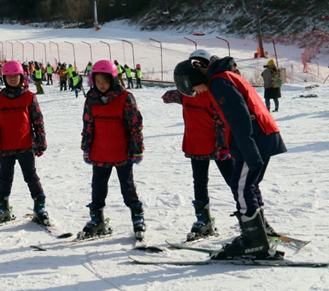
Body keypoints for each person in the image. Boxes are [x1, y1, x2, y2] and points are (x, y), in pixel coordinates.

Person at [174, 54, 287, 260]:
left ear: (196, 74)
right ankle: (259, 233)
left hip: (254, 138)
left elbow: (240, 115)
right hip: (260, 135)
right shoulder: (225, 75)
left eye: (192, 87)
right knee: (247, 186)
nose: (195, 92)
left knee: (241, 187)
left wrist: (248, 148)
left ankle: (254, 241)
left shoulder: (218, 81)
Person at [162, 49, 234, 241]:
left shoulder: (213, 93)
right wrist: (173, 94)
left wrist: (224, 148)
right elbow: (169, 96)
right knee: (200, 183)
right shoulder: (188, 93)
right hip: (196, 146)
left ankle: (249, 216)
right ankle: (204, 219)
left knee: (234, 181)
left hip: (218, 148)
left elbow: (221, 122)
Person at [78, 60, 146, 240]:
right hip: (100, 152)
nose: (101, 85)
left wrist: (137, 149)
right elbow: (88, 125)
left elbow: (134, 126)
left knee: (128, 187)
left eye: (105, 81)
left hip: (122, 152)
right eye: (98, 82)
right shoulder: (91, 98)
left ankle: (137, 216)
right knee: (98, 187)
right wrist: (86, 148)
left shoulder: (126, 97)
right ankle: (97, 218)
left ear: (114, 80)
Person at [0, 61, 51, 227]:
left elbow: (38, 121)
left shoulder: (29, 97)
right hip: (6, 146)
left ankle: (40, 206)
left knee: (31, 176)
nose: (12, 79)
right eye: (9, 76)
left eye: (15, 76)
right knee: (5, 178)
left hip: (25, 145)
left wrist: (41, 141)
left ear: (21, 77)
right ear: (4, 78)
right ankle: (3, 207)